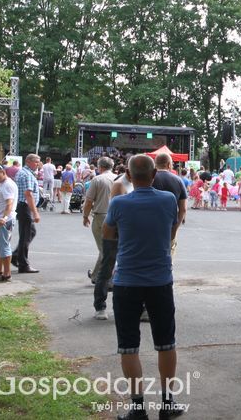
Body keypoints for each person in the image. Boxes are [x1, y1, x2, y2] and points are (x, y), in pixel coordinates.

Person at [101, 155, 186, 418]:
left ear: (128, 173)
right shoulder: (168, 200)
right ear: (154, 176)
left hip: (127, 281)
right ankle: (167, 401)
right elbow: (173, 226)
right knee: (166, 342)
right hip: (160, 280)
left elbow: (107, 233)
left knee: (128, 345)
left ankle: (137, 407)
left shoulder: (119, 203)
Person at [94, 165, 134, 321]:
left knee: (124, 269)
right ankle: (100, 305)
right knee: (107, 268)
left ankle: (130, 305)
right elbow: (117, 212)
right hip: (115, 232)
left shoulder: (135, 183)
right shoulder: (120, 184)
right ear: (129, 172)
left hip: (127, 233)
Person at [84, 157, 117, 284]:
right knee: (107, 247)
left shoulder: (97, 179)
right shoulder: (119, 178)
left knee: (105, 249)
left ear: (100, 167)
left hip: (101, 215)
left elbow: (88, 201)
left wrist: (85, 216)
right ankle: (95, 275)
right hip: (116, 216)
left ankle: (107, 278)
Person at [152, 153, 187, 256]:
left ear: (155, 163)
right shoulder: (178, 180)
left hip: (149, 224)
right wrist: (175, 229)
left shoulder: (148, 178)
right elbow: (183, 208)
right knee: (167, 256)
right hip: (169, 224)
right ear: (169, 164)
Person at [12, 154, 41, 274]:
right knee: (26, 234)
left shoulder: (23, 172)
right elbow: (28, 194)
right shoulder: (27, 174)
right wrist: (35, 212)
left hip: (22, 206)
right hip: (25, 206)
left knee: (29, 232)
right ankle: (23, 264)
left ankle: (17, 255)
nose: (38, 164)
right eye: (36, 162)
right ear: (28, 161)